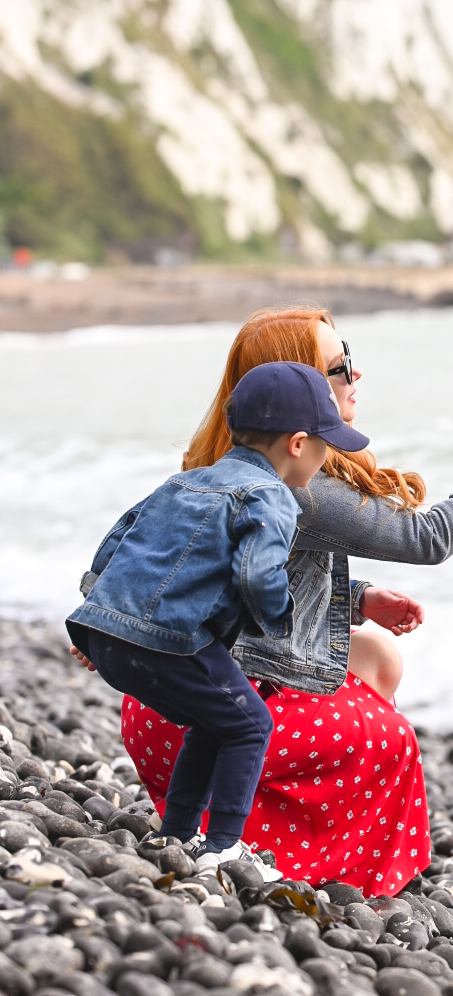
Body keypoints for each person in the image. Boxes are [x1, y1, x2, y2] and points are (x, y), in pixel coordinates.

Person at [121, 306, 453, 897]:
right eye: (339, 366)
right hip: (206, 718)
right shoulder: (299, 484)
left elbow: (219, 574)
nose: (356, 375)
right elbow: (426, 538)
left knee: (377, 657)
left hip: (158, 710)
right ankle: (270, 848)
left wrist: (357, 599)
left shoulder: (221, 464)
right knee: (392, 740)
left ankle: (259, 821)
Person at [67, 360, 370, 880]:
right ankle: (225, 845)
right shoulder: (272, 496)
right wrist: (279, 621)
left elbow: (117, 540)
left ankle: (178, 834)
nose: (327, 456)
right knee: (252, 725)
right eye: (326, 444)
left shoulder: (185, 482)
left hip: (105, 634)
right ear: (298, 444)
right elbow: (256, 574)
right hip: (169, 642)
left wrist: (103, 616)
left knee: (214, 722)